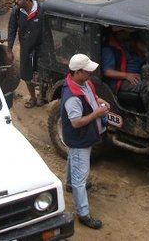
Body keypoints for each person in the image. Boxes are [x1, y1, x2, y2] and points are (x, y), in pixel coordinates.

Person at [61, 53, 109, 230]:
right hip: (80, 139)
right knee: (81, 176)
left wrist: (99, 102)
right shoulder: (72, 97)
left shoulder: (83, 83)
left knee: (72, 158)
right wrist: (97, 114)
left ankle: (69, 184)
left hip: (81, 138)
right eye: (88, 71)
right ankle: (83, 214)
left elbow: (91, 97)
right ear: (78, 71)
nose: (91, 74)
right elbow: (76, 123)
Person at [101, 27, 149, 135]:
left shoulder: (131, 43)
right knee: (146, 87)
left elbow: (145, 56)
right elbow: (107, 71)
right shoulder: (109, 49)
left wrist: (144, 50)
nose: (129, 34)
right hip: (120, 81)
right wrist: (127, 75)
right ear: (119, 32)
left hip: (139, 74)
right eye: (127, 32)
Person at [6, 0, 43, 108]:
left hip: (41, 48)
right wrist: (9, 50)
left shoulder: (41, 10)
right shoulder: (17, 12)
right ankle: (33, 97)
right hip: (26, 48)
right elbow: (12, 29)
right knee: (26, 74)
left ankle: (42, 96)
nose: (16, 2)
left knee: (42, 73)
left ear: (27, 0)